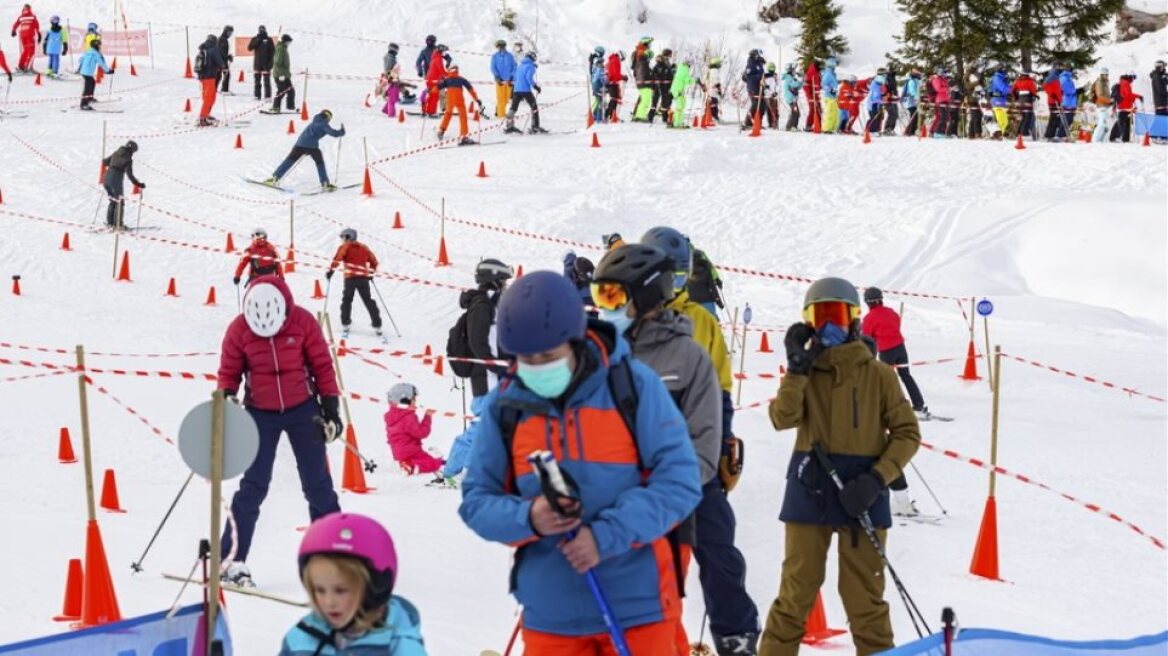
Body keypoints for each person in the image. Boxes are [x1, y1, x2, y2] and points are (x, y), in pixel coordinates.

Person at [458, 271, 702, 653]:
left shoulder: (633, 387)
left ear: (575, 339)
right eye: (526, 358)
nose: (537, 367)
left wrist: (605, 536)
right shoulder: (506, 405)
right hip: (551, 615)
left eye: (549, 356)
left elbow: (680, 481)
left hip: (639, 608)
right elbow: (476, 500)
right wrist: (530, 517)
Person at [594, 245, 759, 655]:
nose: (603, 307)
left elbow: (706, 433)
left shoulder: (688, 354)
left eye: (612, 296)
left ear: (645, 294)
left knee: (715, 557)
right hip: (619, 498)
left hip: (678, 492)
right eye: (599, 297)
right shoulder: (598, 354)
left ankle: (735, 641)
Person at [758, 277, 921, 656]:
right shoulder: (805, 373)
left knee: (865, 601)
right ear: (807, 322)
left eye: (838, 314)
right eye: (820, 315)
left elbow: (907, 433)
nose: (829, 324)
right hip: (809, 486)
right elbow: (781, 418)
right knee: (795, 594)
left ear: (854, 320)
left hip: (862, 492)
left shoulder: (878, 374)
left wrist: (877, 478)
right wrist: (796, 370)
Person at [641, 227, 755, 655]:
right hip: (644, 463)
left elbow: (721, 391)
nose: (669, 286)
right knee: (653, 564)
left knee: (718, 552)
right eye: (662, 276)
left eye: (676, 277)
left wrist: (723, 442)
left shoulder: (701, 321)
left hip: (696, 456)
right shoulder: (627, 323)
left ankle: (737, 638)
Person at [218, 275, 343, 587]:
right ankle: (230, 561)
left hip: (303, 410)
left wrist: (331, 409)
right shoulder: (238, 330)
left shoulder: (302, 322)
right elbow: (228, 371)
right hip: (260, 413)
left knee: (318, 486)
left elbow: (322, 366)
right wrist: (227, 395)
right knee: (253, 487)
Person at [281, 512, 426, 655]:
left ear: (373, 589)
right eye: (320, 590)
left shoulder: (400, 647)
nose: (329, 602)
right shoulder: (301, 639)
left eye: (340, 590)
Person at [860, 288, 928, 419]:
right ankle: (919, 406)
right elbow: (896, 322)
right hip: (900, 348)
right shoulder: (890, 312)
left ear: (868, 302)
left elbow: (866, 338)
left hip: (886, 352)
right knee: (906, 376)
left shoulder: (869, 318)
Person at [264, 109, 345, 190]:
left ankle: (275, 178)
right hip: (312, 147)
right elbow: (333, 133)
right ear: (328, 117)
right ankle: (324, 183)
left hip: (299, 144)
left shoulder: (315, 121)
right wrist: (341, 132)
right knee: (320, 163)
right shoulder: (323, 123)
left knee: (289, 160)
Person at [327, 228, 382, 339]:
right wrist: (371, 274)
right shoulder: (364, 247)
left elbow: (338, 258)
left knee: (347, 300)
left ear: (348, 237)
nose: (342, 240)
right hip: (363, 279)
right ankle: (377, 324)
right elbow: (374, 261)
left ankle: (346, 323)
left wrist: (331, 271)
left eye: (343, 237)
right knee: (368, 300)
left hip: (350, 279)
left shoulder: (345, 247)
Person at [384, 383, 443, 476]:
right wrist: (428, 417)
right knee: (433, 463)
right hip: (411, 452)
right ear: (405, 400)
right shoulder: (408, 417)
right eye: (413, 399)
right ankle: (410, 466)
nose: (415, 402)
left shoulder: (392, 415)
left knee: (428, 459)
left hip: (398, 453)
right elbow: (421, 433)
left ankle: (406, 464)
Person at [436, 65, 484, 145]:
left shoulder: (447, 80)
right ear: (457, 71)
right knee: (463, 117)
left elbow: (437, 87)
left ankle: (441, 130)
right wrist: (476, 99)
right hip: (459, 101)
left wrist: (429, 91)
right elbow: (470, 90)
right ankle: (464, 136)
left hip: (450, 101)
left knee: (448, 114)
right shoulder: (461, 79)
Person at [101, 141, 144, 229]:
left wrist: (113, 162)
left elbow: (104, 162)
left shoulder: (116, 152)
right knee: (120, 202)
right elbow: (130, 175)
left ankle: (110, 223)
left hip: (106, 178)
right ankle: (118, 225)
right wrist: (138, 184)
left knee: (113, 201)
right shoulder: (128, 159)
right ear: (131, 150)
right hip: (115, 180)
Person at [506, 51, 546, 134]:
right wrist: (536, 87)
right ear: (532, 58)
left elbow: (515, 77)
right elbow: (529, 78)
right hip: (526, 91)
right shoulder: (530, 66)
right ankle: (535, 126)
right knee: (534, 107)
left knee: (513, 108)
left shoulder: (520, 66)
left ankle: (509, 126)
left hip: (516, 90)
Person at [196, 34, 226, 126]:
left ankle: (206, 114)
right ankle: (203, 117)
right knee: (210, 98)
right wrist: (224, 66)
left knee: (206, 97)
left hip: (202, 77)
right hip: (210, 77)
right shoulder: (213, 49)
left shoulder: (203, 48)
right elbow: (219, 62)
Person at [686, 247, 724, 319]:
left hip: (692, 302)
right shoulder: (706, 269)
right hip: (707, 301)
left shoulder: (687, 272)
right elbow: (712, 287)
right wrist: (718, 301)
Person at [78, 38, 112, 111]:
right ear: (96, 46)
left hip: (85, 72)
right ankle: (83, 104)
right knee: (88, 87)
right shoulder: (96, 54)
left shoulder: (88, 51)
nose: (100, 47)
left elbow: (81, 59)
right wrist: (108, 71)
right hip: (87, 72)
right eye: (99, 45)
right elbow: (101, 63)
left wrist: (82, 66)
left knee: (92, 82)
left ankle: (90, 98)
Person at [1111, 71, 1142, 142]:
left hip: (1126, 106)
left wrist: (1134, 98)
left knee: (1127, 123)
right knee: (1121, 123)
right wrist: (1138, 96)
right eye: (1133, 77)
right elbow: (1127, 95)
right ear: (1129, 76)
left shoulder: (1124, 82)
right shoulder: (1125, 83)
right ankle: (1113, 137)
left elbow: (1128, 95)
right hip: (1124, 106)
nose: (1133, 80)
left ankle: (1125, 139)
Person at [491, 38, 516, 119]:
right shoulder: (495, 56)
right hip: (500, 81)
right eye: (497, 47)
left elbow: (514, 67)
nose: (498, 48)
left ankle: (499, 111)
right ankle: (500, 115)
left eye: (499, 47)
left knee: (507, 98)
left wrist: (512, 76)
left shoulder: (510, 56)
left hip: (509, 81)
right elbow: (493, 67)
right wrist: (497, 77)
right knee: (500, 98)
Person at [740, 48, 766, 130]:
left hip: (759, 87)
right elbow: (749, 77)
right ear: (755, 55)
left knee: (762, 105)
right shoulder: (751, 64)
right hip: (753, 87)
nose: (759, 57)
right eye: (758, 55)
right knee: (755, 104)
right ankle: (748, 123)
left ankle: (757, 121)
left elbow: (761, 73)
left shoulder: (758, 64)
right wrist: (759, 78)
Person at [9, 4, 39, 73]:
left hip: (23, 36)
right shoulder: (32, 17)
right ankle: (27, 68)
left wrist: (13, 30)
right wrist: (38, 34)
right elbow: (36, 25)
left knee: (25, 51)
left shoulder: (21, 17)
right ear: (30, 9)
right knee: (31, 52)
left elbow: (16, 24)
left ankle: (21, 66)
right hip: (30, 36)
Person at [247, 25, 274, 100]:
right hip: (257, 64)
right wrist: (257, 40)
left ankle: (268, 96)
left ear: (265, 30)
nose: (261, 31)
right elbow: (249, 48)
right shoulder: (255, 38)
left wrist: (270, 64)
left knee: (267, 82)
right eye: (260, 30)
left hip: (266, 64)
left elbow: (272, 53)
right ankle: (257, 95)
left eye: (263, 30)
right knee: (257, 81)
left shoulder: (269, 40)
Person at [670, 58, 698, 128]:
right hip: (677, 90)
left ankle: (680, 122)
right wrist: (695, 80)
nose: (689, 66)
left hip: (679, 90)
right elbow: (687, 80)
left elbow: (686, 79)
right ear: (687, 64)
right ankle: (676, 123)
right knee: (679, 106)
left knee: (682, 105)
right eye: (689, 65)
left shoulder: (682, 69)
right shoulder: (683, 70)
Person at [648, 49, 674, 124]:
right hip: (663, 86)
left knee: (656, 102)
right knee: (664, 102)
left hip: (659, 86)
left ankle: (651, 116)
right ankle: (664, 118)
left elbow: (652, 76)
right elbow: (668, 75)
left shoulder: (657, 66)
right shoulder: (665, 64)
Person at [631, 36, 653, 120]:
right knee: (645, 99)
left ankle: (637, 114)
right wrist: (649, 78)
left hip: (641, 78)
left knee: (643, 97)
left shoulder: (639, 52)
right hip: (643, 79)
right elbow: (641, 68)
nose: (649, 46)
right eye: (649, 44)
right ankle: (639, 115)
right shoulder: (640, 52)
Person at [422, 44, 448, 116]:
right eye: (443, 51)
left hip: (430, 79)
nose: (444, 53)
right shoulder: (438, 58)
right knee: (434, 96)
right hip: (434, 80)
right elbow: (441, 70)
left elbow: (438, 70)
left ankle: (427, 110)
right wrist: (450, 75)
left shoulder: (434, 57)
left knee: (432, 95)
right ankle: (431, 112)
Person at [271, 34, 295, 113]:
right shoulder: (281, 49)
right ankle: (275, 107)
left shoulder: (283, 48)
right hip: (280, 75)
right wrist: (282, 74)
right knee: (281, 91)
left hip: (284, 74)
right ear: (285, 41)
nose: (289, 44)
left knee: (291, 91)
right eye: (288, 42)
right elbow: (278, 62)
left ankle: (290, 107)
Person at [1012, 69, 1038, 139]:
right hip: (1027, 100)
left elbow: (1013, 91)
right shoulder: (1030, 81)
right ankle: (1024, 133)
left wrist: (1016, 98)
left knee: (1022, 117)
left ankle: (1018, 133)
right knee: (1027, 117)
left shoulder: (1017, 81)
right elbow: (1033, 91)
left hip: (1020, 101)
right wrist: (1036, 95)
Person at [1042, 63, 1064, 141]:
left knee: (1057, 118)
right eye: (1059, 66)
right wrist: (1052, 94)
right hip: (1053, 100)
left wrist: (1061, 93)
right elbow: (1045, 86)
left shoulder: (1057, 76)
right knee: (1054, 118)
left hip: (1057, 100)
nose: (1060, 68)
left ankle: (1054, 134)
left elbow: (1057, 88)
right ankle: (1049, 135)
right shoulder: (1052, 75)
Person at [1091, 68, 1113, 144]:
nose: (1107, 76)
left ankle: (1100, 140)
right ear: (1102, 74)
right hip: (1101, 105)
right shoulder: (1099, 83)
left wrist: (1110, 101)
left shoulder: (1106, 82)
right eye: (1105, 74)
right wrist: (1110, 101)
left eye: (1107, 74)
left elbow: (1106, 94)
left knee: (1105, 125)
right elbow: (1100, 95)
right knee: (1101, 124)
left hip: (1105, 105)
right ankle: (1095, 140)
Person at [605, 50, 627, 122]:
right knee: (615, 99)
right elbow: (616, 74)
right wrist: (623, 77)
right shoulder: (616, 60)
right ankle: (612, 116)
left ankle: (609, 115)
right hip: (613, 82)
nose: (622, 60)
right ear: (620, 56)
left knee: (613, 99)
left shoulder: (611, 60)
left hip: (609, 82)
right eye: (622, 58)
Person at [989, 64, 1011, 137]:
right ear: (1002, 69)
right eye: (1006, 69)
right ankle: (999, 134)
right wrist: (1012, 89)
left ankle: (1003, 133)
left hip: (1002, 100)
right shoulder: (997, 78)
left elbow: (1006, 88)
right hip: (997, 99)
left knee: (1005, 121)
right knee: (1001, 119)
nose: (1007, 71)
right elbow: (1003, 88)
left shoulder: (1002, 77)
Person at [1058, 65, 1079, 139]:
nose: (1074, 72)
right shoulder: (1064, 79)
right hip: (1067, 102)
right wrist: (1077, 91)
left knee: (1069, 119)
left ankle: (1064, 135)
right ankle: (1061, 135)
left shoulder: (1068, 78)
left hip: (1070, 102)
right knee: (1067, 119)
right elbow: (1067, 91)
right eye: (1072, 70)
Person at [928, 68, 951, 137]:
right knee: (942, 117)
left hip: (945, 100)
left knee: (946, 117)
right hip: (940, 100)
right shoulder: (936, 79)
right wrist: (948, 89)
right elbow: (938, 89)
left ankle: (942, 132)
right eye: (945, 73)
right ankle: (937, 132)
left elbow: (946, 88)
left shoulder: (944, 79)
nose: (946, 74)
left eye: (946, 73)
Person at [820, 57, 839, 133]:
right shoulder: (828, 74)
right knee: (830, 112)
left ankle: (832, 128)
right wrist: (830, 90)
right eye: (834, 64)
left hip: (833, 96)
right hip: (829, 96)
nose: (835, 66)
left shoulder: (832, 74)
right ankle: (826, 129)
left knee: (835, 113)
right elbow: (823, 84)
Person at [782, 63, 803, 131]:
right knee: (794, 112)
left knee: (797, 112)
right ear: (790, 70)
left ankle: (794, 126)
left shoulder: (791, 77)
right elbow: (795, 84)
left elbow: (798, 86)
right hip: (790, 98)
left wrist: (802, 81)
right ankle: (789, 126)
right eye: (793, 70)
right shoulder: (788, 78)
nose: (795, 71)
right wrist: (800, 79)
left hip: (793, 98)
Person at [901, 68, 922, 135]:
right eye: (918, 74)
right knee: (913, 116)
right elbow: (912, 91)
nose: (920, 76)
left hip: (914, 102)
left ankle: (911, 131)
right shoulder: (911, 81)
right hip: (910, 102)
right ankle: (909, 132)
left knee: (915, 116)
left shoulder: (916, 81)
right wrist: (917, 97)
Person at [590, 48, 607, 124]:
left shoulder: (594, 66)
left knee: (598, 101)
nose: (603, 64)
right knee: (601, 102)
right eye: (601, 63)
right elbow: (602, 78)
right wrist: (607, 82)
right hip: (598, 86)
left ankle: (594, 115)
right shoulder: (599, 68)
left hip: (595, 85)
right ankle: (599, 119)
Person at [866, 70, 886, 135]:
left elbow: (879, 95)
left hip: (876, 104)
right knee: (874, 117)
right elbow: (875, 98)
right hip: (873, 104)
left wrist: (882, 96)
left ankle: (875, 130)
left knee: (877, 117)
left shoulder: (878, 85)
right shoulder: (875, 85)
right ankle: (871, 131)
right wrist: (881, 100)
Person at [803, 58, 821, 131]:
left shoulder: (817, 71)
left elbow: (817, 84)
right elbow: (806, 86)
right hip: (811, 95)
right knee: (813, 109)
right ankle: (808, 125)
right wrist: (810, 96)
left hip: (816, 95)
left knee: (818, 109)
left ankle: (818, 125)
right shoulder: (811, 72)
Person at [881, 66, 899, 135]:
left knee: (895, 115)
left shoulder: (893, 77)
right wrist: (886, 94)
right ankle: (887, 129)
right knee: (892, 114)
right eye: (893, 70)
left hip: (893, 98)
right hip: (887, 99)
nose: (894, 71)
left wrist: (896, 95)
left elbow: (894, 88)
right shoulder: (887, 78)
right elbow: (884, 87)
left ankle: (891, 129)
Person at [217, 25, 234, 93]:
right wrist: (228, 57)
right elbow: (221, 51)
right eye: (229, 32)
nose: (230, 34)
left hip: (221, 60)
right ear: (226, 31)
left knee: (219, 75)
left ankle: (215, 88)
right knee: (226, 74)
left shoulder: (223, 39)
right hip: (221, 61)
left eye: (231, 33)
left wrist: (228, 56)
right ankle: (224, 90)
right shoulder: (222, 39)